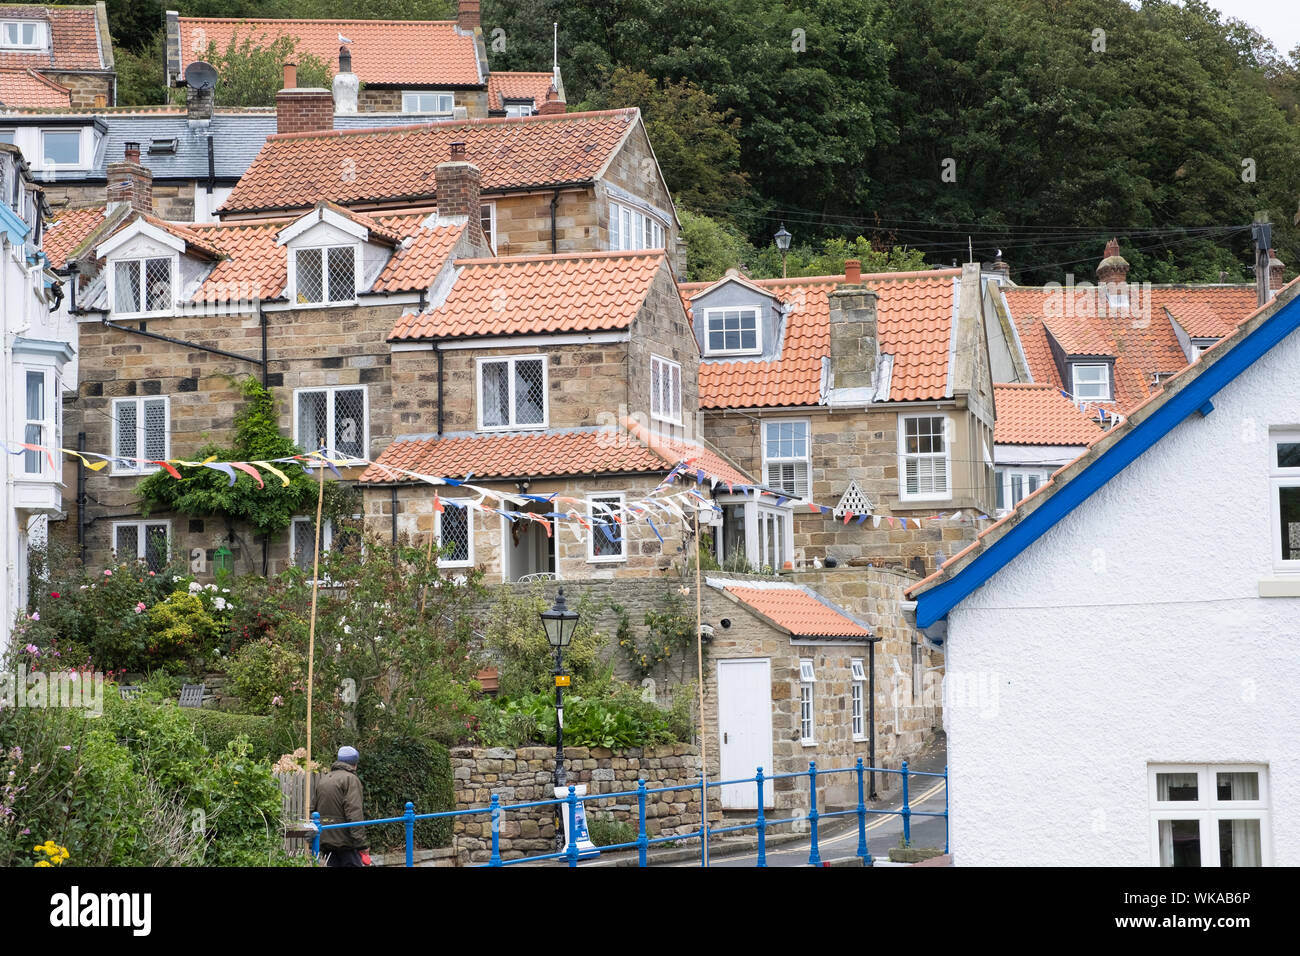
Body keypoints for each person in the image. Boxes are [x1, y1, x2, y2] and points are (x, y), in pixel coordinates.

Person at [314, 746, 371, 867]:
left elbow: (313, 809)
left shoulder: (324, 779)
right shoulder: (351, 779)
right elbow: (354, 813)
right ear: (355, 763)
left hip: (325, 838)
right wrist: (362, 844)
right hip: (345, 841)